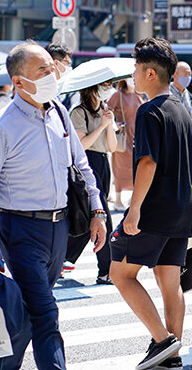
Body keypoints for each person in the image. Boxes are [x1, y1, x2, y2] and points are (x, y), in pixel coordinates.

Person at [0, 42, 107, 370]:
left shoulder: (58, 110)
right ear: (18, 82)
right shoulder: (0, 128)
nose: (52, 74)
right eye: (42, 70)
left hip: (60, 229)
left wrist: (98, 211)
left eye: (51, 67)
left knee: (31, 312)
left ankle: (2, 365)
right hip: (21, 231)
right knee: (47, 315)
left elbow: (81, 165)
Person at [109, 38, 192, 370]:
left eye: (134, 68)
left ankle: (163, 340)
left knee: (120, 273)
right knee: (169, 283)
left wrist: (134, 210)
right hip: (182, 209)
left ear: (148, 73)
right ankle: (170, 356)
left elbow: (147, 163)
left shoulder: (150, 110)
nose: (132, 74)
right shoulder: (181, 109)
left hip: (155, 209)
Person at [66, 81, 118, 285]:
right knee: (102, 217)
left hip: (103, 164)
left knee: (90, 218)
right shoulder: (79, 112)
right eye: (104, 85)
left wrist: (109, 124)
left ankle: (64, 258)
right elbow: (80, 145)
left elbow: (112, 147)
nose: (108, 88)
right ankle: (106, 270)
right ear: (93, 88)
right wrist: (103, 126)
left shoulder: (105, 111)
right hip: (87, 164)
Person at [108, 77, 145, 210]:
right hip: (122, 136)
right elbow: (108, 110)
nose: (132, 79)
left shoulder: (137, 95)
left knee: (134, 166)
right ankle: (117, 199)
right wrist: (114, 124)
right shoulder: (118, 95)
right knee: (120, 167)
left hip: (135, 135)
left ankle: (133, 196)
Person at [171, 61, 192, 164]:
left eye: (189, 74)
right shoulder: (167, 93)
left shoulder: (188, 95)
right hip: (172, 145)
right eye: (185, 74)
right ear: (175, 75)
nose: (188, 77)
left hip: (187, 144)